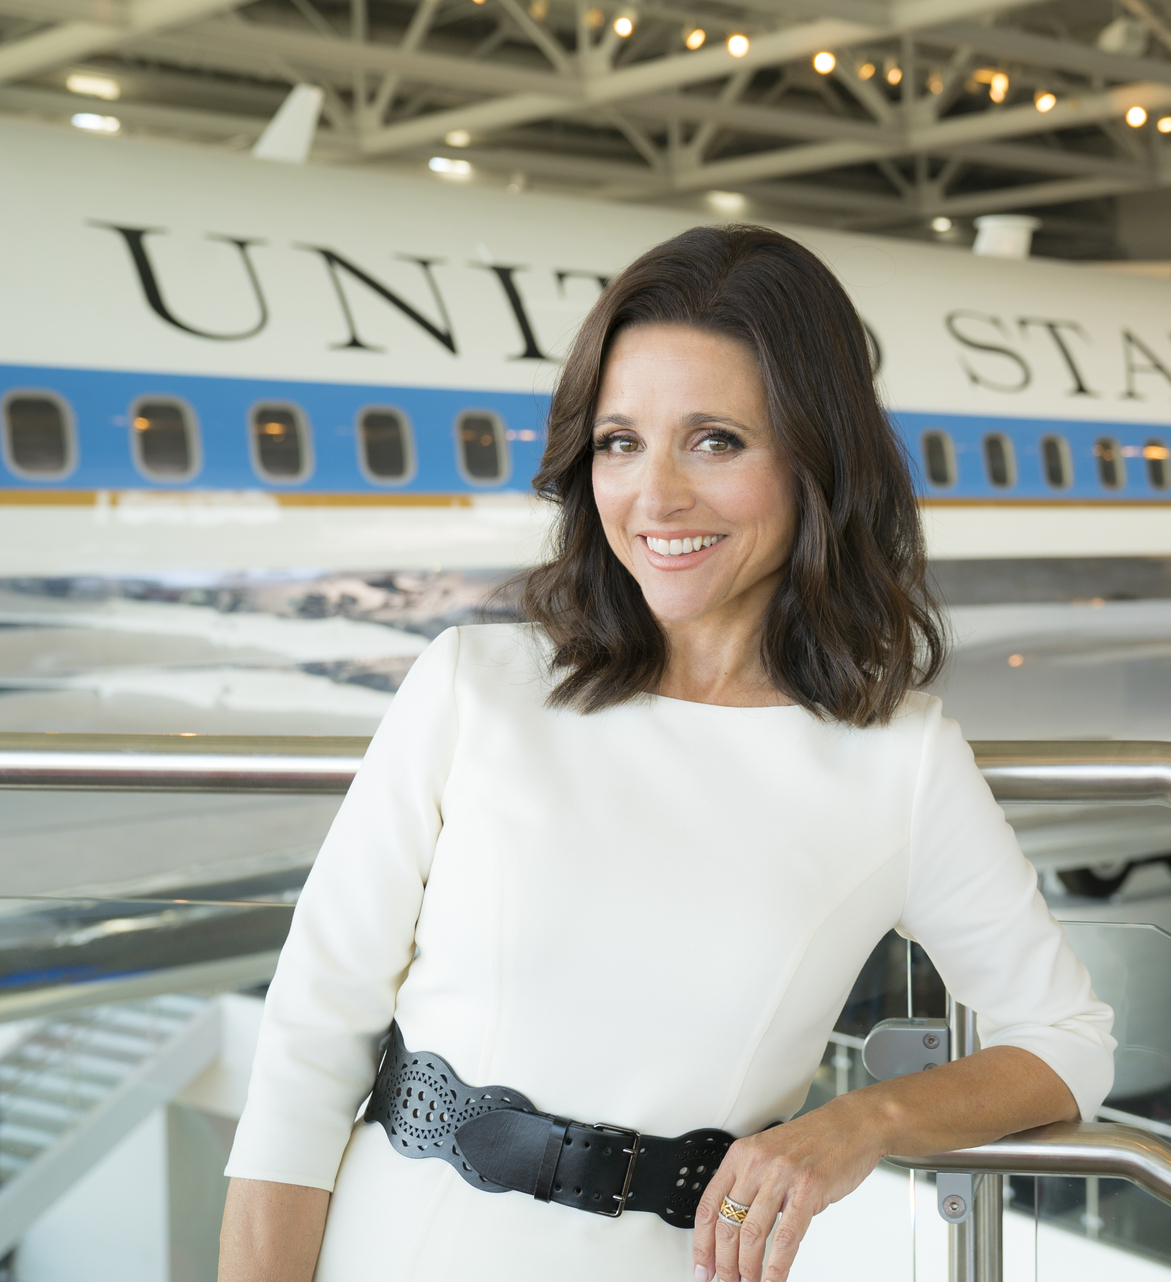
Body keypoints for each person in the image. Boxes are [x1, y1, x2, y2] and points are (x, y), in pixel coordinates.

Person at [216, 226, 1117, 1282]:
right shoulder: (475, 685)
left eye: (717, 440)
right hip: (401, 1243)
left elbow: (1066, 1037)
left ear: (815, 459)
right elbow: (309, 1048)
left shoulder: (898, 761)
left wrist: (858, 1125)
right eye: (620, 442)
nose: (656, 498)